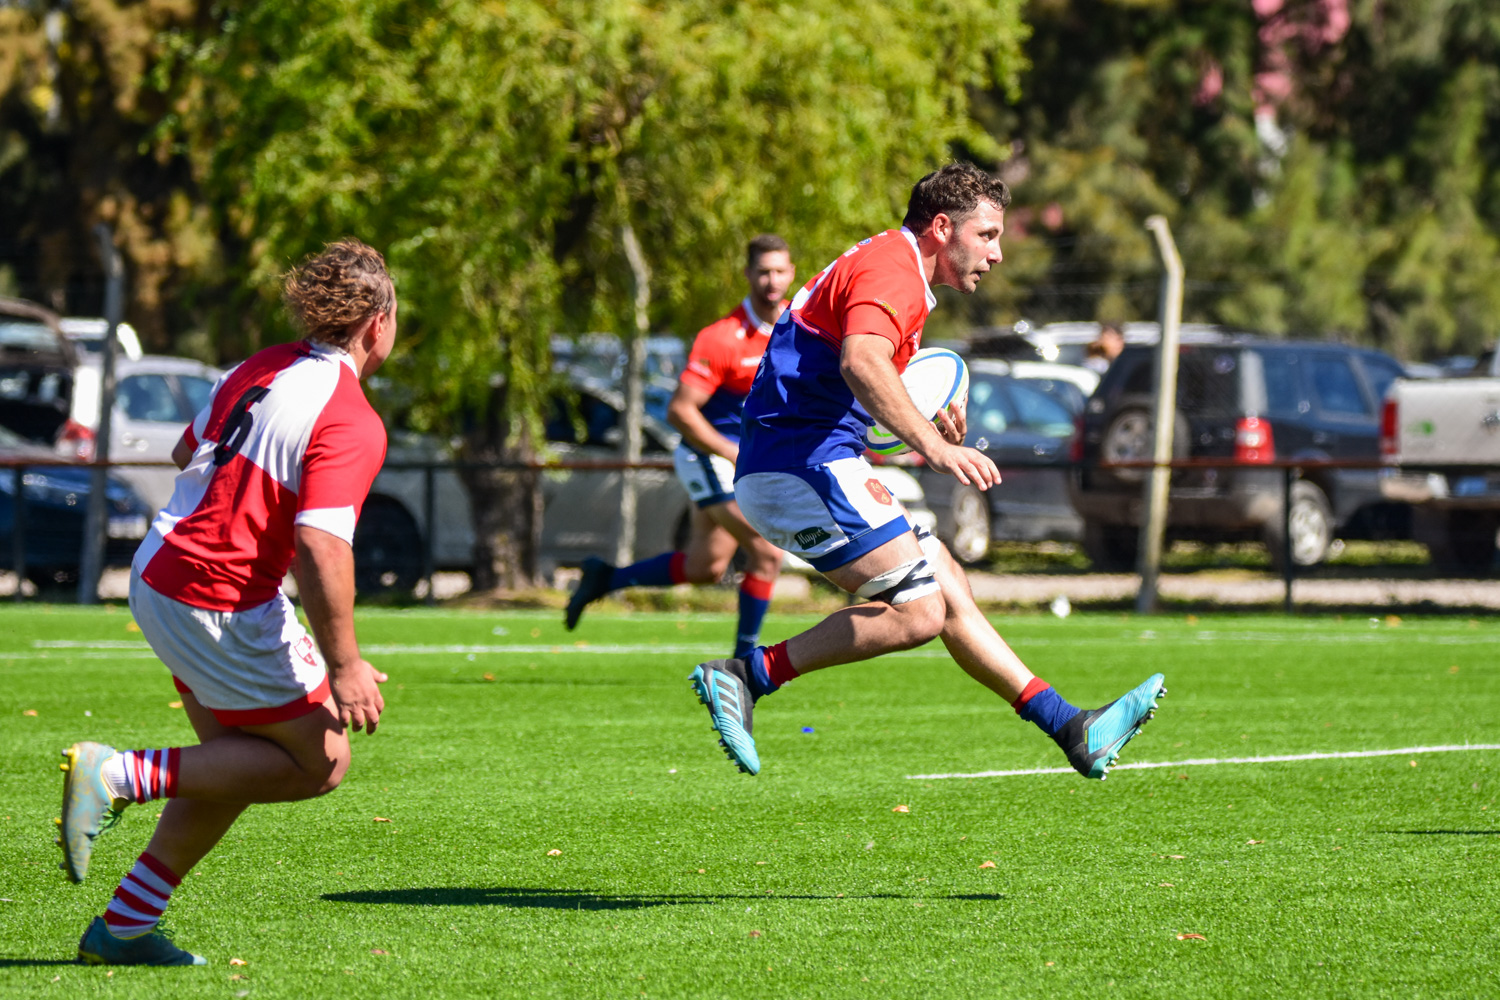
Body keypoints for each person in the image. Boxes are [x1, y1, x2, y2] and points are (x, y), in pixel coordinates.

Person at [688, 164, 1165, 778]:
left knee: (944, 580)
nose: (996, 254)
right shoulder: (894, 271)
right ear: (943, 227)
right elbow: (862, 361)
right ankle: (747, 675)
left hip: (806, 460)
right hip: (800, 466)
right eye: (987, 235)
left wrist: (923, 418)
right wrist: (935, 448)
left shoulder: (894, 269)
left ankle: (1072, 726)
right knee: (919, 612)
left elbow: (853, 389)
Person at [54, 240, 396, 966]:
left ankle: (124, 926)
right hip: (223, 595)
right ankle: (116, 775)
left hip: (160, 573)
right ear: (378, 323)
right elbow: (322, 546)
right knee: (318, 763)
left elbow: (188, 455)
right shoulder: (352, 417)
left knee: (237, 761)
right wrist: (347, 663)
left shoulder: (258, 366)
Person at [565, 235, 794, 658]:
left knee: (704, 568)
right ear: (747, 275)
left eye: (779, 271)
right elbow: (680, 412)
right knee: (765, 553)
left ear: (792, 273)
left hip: (745, 463)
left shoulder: (794, 330)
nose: (771, 280)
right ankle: (746, 666)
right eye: (762, 271)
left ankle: (605, 578)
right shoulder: (722, 338)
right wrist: (730, 451)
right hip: (706, 456)